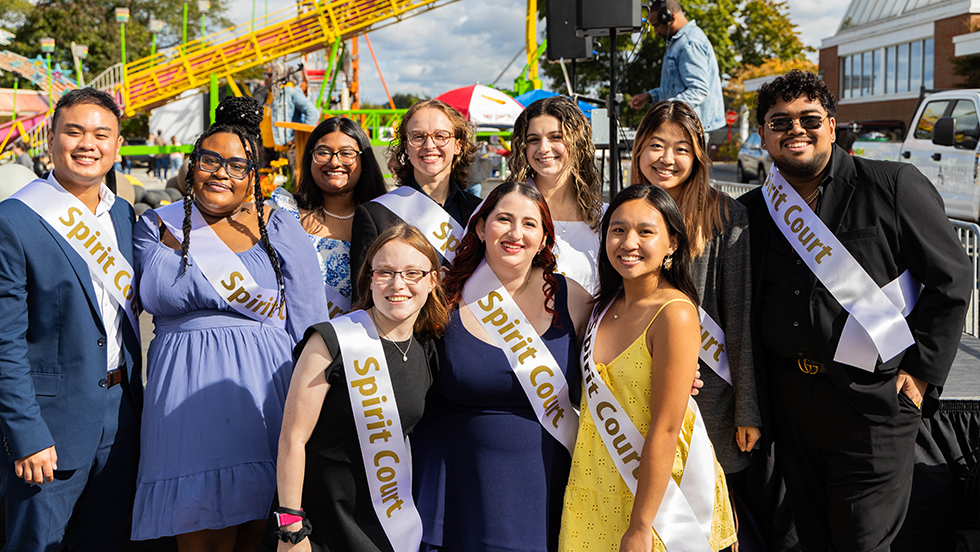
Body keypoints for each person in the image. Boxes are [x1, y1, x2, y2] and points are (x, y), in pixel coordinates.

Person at [738, 69, 972, 552]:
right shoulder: (757, 211)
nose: (795, 130)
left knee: (863, 544)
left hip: (873, 403)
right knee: (812, 539)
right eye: (780, 122)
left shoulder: (890, 185)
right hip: (792, 408)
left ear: (832, 123)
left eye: (809, 118)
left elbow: (952, 278)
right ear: (762, 135)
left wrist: (922, 373)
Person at [130, 96, 328, 550]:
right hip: (180, 402)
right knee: (199, 533)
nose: (221, 172)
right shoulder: (154, 227)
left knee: (256, 533)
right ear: (192, 164)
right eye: (210, 160)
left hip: (262, 397)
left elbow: (310, 324)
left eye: (237, 166)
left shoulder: (278, 225)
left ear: (252, 178)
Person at [412, 181, 594, 552]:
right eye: (504, 220)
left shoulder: (572, 298)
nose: (515, 233)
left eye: (530, 224)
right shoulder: (443, 294)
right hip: (457, 489)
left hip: (544, 488)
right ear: (480, 228)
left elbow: (615, 363)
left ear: (544, 239)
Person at [0, 88, 142, 550]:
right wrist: (25, 432)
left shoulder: (123, 215)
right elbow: (6, 340)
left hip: (121, 419)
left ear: (117, 146)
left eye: (102, 135)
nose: (88, 144)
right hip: (50, 428)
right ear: (51, 139)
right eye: (74, 132)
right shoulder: (15, 220)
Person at [559, 184, 736, 552]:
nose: (628, 242)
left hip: (661, 499)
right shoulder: (601, 307)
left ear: (672, 243)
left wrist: (641, 527)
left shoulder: (675, 313)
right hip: (593, 485)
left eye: (646, 231)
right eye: (618, 229)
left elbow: (667, 428)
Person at [260, 223, 448, 552]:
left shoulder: (427, 349)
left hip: (383, 523)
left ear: (432, 280)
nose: (397, 284)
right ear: (369, 278)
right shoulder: (330, 340)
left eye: (412, 273)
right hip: (318, 524)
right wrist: (291, 528)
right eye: (385, 272)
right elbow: (293, 438)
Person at [631, 100, 763, 544]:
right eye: (656, 145)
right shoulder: (625, 212)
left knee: (710, 523)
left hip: (712, 399)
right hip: (634, 389)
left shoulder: (726, 217)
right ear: (638, 150)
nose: (666, 158)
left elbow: (741, 318)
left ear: (698, 155)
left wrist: (747, 408)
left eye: (681, 148)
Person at [350, 99, 481, 299]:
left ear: (458, 146)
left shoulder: (479, 213)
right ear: (405, 146)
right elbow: (363, 298)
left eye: (440, 136)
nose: (429, 145)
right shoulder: (375, 214)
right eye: (417, 136)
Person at [268, 117, 387, 318]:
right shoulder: (284, 212)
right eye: (323, 153)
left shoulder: (383, 218)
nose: (334, 161)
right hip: (293, 339)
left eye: (346, 153)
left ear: (363, 161)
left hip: (358, 340)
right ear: (310, 158)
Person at [508, 95, 604, 292]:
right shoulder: (504, 209)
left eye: (556, 137)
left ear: (577, 142)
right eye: (533, 140)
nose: (544, 148)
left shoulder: (603, 216)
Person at [628, 0, 725, 133]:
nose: (655, 32)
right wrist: (650, 96)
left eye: (656, 25)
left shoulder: (690, 43)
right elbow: (677, 86)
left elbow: (698, 90)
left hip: (692, 129)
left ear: (670, 17)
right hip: (684, 127)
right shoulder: (679, 42)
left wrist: (665, 110)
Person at [263, 61, 320, 148]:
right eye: (265, 75)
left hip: (287, 147)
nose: (265, 79)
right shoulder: (268, 94)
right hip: (269, 147)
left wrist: (298, 138)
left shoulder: (290, 91)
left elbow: (313, 112)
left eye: (269, 75)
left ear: (279, 75)